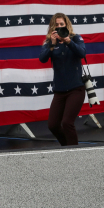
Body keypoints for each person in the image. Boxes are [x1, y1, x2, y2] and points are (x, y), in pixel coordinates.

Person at [38, 13, 86, 146]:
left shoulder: (75, 38)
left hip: (76, 88)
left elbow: (82, 53)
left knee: (67, 122)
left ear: (66, 25)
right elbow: (42, 59)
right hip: (59, 90)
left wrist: (68, 42)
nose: (59, 27)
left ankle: (73, 153)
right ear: (52, 27)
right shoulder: (49, 42)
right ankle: (67, 147)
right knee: (52, 125)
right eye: (56, 25)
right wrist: (52, 45)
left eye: (61, 24)